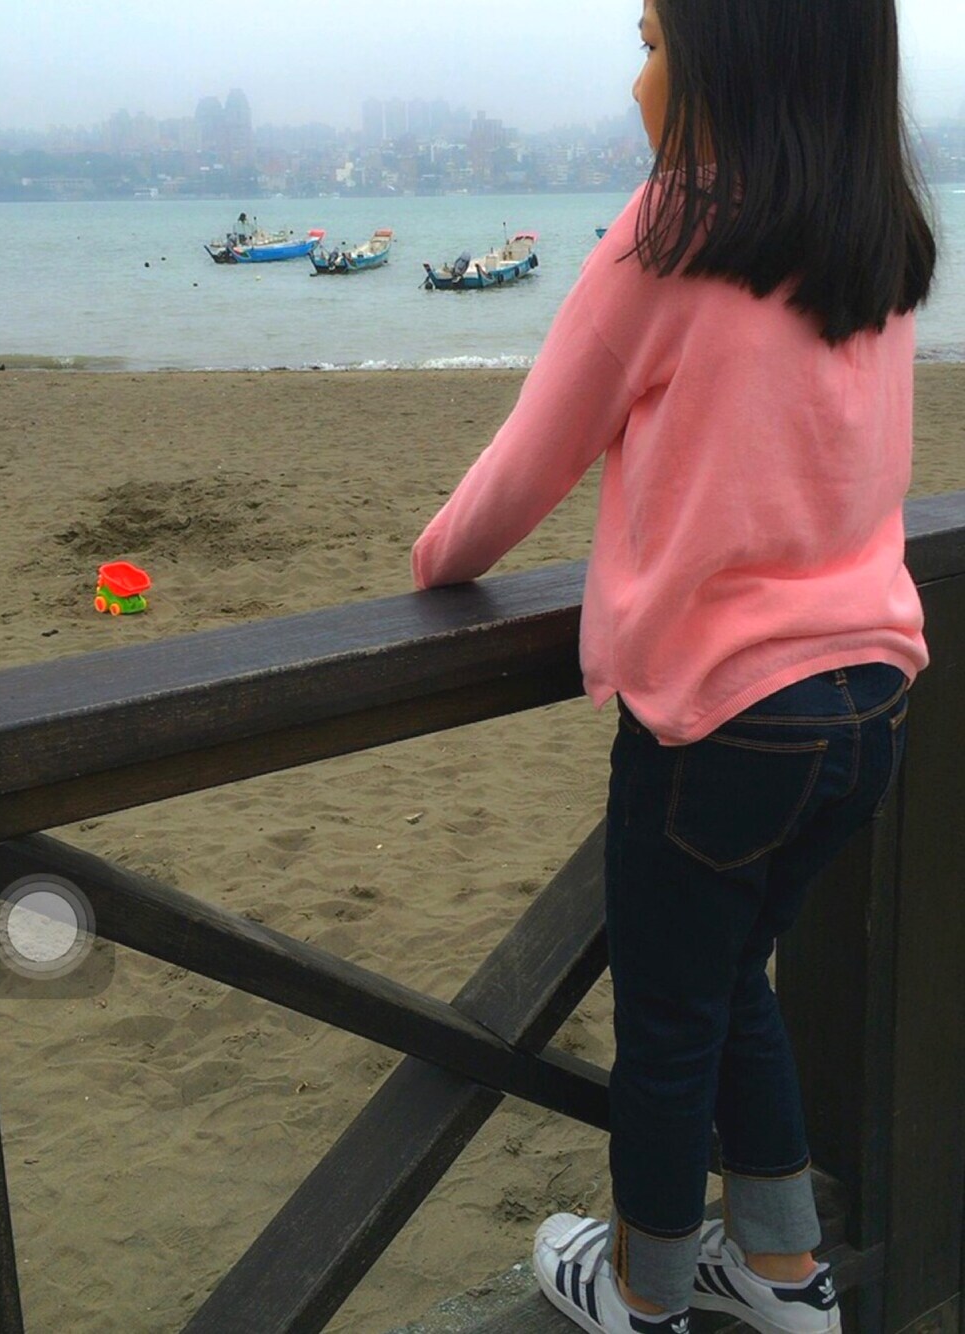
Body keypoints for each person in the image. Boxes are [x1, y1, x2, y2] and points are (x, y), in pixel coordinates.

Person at [411, 0, 936, 1330]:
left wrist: (437, 556)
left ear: (732, 54)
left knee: (666, 1024)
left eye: (651, 42)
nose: (636, 76)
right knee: (732, 980)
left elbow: (528, 460)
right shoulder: (874, 237)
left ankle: (643, 1293)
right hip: (870, 706)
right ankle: (786, 1272)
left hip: (723, 722)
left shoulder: (670, 233)